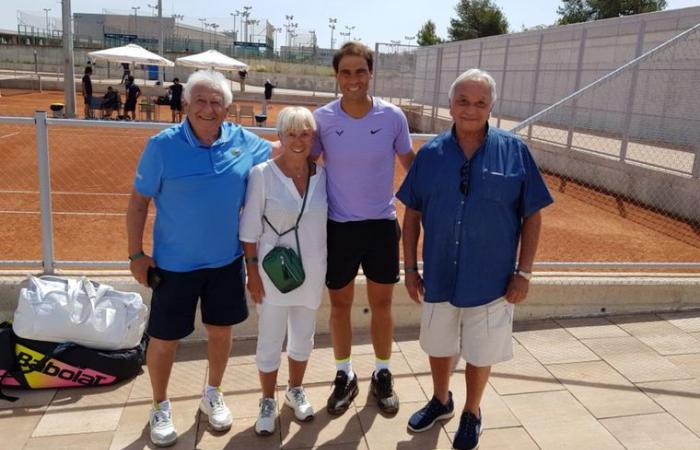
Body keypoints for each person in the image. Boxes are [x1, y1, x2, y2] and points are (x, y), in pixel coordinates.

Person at [397, 68, 553, 450]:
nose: (471, 109)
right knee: (438, 344)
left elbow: (533, 213)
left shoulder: (514, 151)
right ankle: (441, 400)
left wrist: (525, 272)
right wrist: (411, 269)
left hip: (492, 279)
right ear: (450, 105)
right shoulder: (431, 154)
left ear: (491, 106)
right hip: (438, 276)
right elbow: (412, 214)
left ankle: (472, 412)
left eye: (480, 102)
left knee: (482, 351)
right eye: (463, 101)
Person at [126, 70, 273, 448]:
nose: (208, 109)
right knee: (163, 340)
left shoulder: (244, 142)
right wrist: (136, 254)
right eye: (201, 101)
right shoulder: (162, 146)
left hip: (226, 262)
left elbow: (287, 149)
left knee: (221, 333)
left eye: (216, 102)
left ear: (227, 108)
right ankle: (159, 405)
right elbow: (139, 201)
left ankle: (212, 393)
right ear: (186, 104)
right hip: (173, 266)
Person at [311, 41, 415, 416]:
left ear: (371, 73)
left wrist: (435, 202)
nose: (353, 79)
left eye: (360, 71)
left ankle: (383, 373)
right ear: (337, 76)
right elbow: (301, 162)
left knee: (382, 306)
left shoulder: (392, 117)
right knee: (340, 306)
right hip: (338, 228)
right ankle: (344, 375)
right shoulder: (322, 119)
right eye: (345, 72)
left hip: (381, 228)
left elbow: (410, 165)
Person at [239, 106, 327, 436]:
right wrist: (252, 273)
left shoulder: (324, 176)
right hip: (272, 274)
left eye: (305, 133)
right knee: (270, 339)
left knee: (303, 337)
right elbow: (248, 229)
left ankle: (295, 390)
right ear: (279, 136)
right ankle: (266, 400)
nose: (298, 140)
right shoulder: (262, 173)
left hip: (312, 271)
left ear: (313, 137)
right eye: (291, 133)